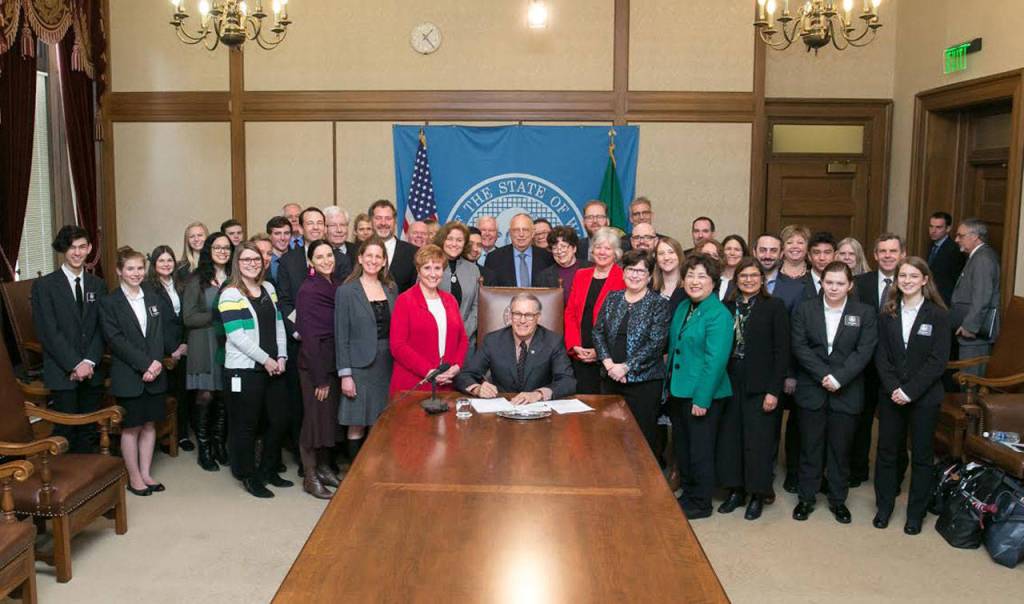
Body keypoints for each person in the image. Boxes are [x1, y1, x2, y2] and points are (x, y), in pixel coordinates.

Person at [791, 262, 878, 525]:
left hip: (847, 389)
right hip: (812, 388)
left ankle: (838, 500)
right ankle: (806, 498)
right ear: (822, 283)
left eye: (840, 283)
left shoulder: (864, 313)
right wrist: (823, 376)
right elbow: (800, 346)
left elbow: (864, 350)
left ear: (850, 285)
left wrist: (839, 377)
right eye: (829, 282)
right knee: (810, 447)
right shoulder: (805, 310)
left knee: (840, 450)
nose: (834, 288)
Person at [873, 257, 951, 535]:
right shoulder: (887, 312)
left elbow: (937, 360)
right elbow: (881, 355)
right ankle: (884, 507)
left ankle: (915, 514)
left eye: (912, 276)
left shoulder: (939, 315)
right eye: (902, 276)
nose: (906, 281)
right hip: (891, 394)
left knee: (921, 456)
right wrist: (895, 387)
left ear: (925, 280)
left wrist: (910, 391)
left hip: (924, 397)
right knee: (886, 452)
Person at [219, 242, 291, 498]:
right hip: (246, 369)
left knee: (279, 419)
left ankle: (269, 469)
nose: (252, 263)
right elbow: (236, 335)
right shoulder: (230, 294)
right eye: (246, 259)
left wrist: (281, 355)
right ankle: (247, 475)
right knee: (246, 425)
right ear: (237, 263)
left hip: (275, 366)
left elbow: (279, 324)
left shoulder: (268, 288)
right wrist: (266, 360)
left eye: (256, 259)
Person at [720, 259, 790, 520]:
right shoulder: (726, 307)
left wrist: (774, 391)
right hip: (729, 380)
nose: (748, 280)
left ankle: (757, 494)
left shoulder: (775, 307)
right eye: (743, 276)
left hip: (761, 384)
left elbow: (782, 352)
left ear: (762, 279)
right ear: (736, 279)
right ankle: (735, 490)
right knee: (731, 438)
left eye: (753, 275)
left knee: (758, 441)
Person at [665, 253, 734, 520]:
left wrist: (701, 399)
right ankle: (689, 494)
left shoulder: (719, 314)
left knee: (700, 451)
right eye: (690, 275)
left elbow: (715, 361)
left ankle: (701, 502)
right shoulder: (684, 307)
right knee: (683, 448)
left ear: (714, 282)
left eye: (701, 276)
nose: (694, 281)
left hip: (703, 396)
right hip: (679, 391)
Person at [100, 247, 172, 496]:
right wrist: (144, 365)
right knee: (131, 427)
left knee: (150, 424)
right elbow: (116, 340)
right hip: (129, 373)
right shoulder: (110, 302)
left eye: (140, 268)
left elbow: (158, 334)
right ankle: (134, 478)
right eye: (130, 268)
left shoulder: (152, 296)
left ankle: (146, 472)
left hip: (155, 370)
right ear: (119, 271)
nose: (136, 273)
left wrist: (155, 364)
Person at [31, 225, 107, 454]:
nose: (77, 252)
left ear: (90, 248)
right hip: (62, 371)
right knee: (65, 433)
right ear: (64, 249)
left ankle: (91, 483)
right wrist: (75, 364)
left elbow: (101, 329)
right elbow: (48, 332)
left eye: (82, 247)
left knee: (89, 432)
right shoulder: (44, 286)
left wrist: (89, 362)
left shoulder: (98, 285)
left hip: (92, 371)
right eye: (72, 247)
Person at [592, 250, 669, 453]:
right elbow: (598, 332)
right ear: (623, 273)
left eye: (640, 271)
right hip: (610, 379)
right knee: (610, 434)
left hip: (644, 383)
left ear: (650, 276)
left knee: (641, 438)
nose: (635, 275)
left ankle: (644, 483)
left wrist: (626, 368)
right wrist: (609, 365)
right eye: (630, 270)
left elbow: (656, 344)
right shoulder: (612, 298)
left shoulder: (658, 304)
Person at [851, 233, 906, 487]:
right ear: (874, 255)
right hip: (865, 364)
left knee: (895, 422)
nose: (887, 256)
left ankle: (894, 475)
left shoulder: (910, 282)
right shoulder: (860, 282)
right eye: (882, 251)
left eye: (892, 251)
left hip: (897, 367)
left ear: (902, 254)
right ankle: (858, 469)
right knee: (861, 419)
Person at [336, 237, 397, 463]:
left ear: (383, 262)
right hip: (359, 367)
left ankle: (376, 470)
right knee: (357, 422)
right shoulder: (346, 291)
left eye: (378, 257)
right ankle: (355, 473)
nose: (373, 260)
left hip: (387, 364)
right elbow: (341, 336)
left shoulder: (391, 288)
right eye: (368, 255)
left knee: (380, 422)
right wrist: (346, 375)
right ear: (360, 258)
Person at [456, 293, 576, 403]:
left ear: (538, 317)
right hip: (501, 410)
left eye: (529, 315)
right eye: (517, 314)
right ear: (510, 316)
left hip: (539, 412)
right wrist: (477, 389)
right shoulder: (492, 340)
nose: (522, 320)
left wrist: (539, 394)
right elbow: (465, 375)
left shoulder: (553, 341)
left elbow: (568, 381)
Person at [295, 241, 343, 499]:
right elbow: (309, 336)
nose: (326, 260)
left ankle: (324, 468)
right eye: (319, 256)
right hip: (316, 365)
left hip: (333, 360)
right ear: (310, 261)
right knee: (314, 421)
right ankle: (310, 476)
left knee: (327, 420)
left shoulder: (335, 283)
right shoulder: (308, 290)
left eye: (329, 255)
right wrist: (320, 379)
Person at [389, 245, 468, 395]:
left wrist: (456, 366)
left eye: (437, 268)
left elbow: (462, 339)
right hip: (413, 385)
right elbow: (398, 346)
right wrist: (429, 371)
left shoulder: (450, 300)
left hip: (446, 385)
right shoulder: (404, 300)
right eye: (427, 268)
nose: (433, 274)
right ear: (418, 271)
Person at [182, 232, 232, 471]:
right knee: (206, 395)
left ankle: (219, 444)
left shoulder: (235, 277)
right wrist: (217, 314)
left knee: (223, 396)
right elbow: (189, 317)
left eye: (227, 248)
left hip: (229, 343)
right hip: (203, 341)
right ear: (208, 251)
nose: (222, 251)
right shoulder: (196, 279)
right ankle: (204, 449)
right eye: (217, 247)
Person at [565, 227, 625, 394]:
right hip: (580, 353)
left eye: (608, 248)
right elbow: (570, 313)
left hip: (609, 359)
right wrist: (574, 345)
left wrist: (599, 351)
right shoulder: (581, 275)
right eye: (598, 247)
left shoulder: (623, 278)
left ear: (616, 252)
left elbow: (621, 323)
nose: (602, 252)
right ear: (592, 250)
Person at [147, 245, 191, 452]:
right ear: (154, 265)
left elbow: (186, 317)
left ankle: (182, 435)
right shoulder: (148, 288)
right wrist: (170, 350)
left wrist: (184, 343)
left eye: (169, 260)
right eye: (161, 261)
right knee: (166, 393)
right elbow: (153, 324)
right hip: (162, 349)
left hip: (183, 345)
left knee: (183, 393)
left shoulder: (181, 284)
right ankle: (163, 436)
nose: (166, 264)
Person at [951, 218, 1001, 376]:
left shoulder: (983, 259)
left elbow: (982, 297)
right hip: (969, 334)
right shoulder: (977, 256)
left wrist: (969, 327)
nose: (957, 239)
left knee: (970, 382)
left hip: (975, 336)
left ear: (975, 236)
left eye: (961, 235)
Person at [435, 222, 481, 347]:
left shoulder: (473, 270)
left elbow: (477, 307)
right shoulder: (430, 267)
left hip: (466, 342)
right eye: (450, 239)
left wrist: (463, 332)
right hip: (435, 340)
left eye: (459, 240)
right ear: (442, 240)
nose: (454, 244)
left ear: (465, 243)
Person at [484, 213, 555, 287]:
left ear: (533, 233)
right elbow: (489, 293)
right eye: (516, 230)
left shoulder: (547, 258)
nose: (521, 234)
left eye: (525, 230)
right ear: (510, 233)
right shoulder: (494, 258)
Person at [370, 199, 418, 292]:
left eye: (388, 218)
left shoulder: (413, 253)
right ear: (371, 221)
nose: (383, 223)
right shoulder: (357, 251)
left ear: (395, 221)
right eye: (378, 218)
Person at [536, 226, 591, 304]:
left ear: (574, 248)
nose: (559, 251)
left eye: (563, 246)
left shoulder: (591, 269)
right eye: (554, 248)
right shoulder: (543, 277)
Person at [926, 211, 965, 305]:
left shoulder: (954, 250)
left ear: (948, 228)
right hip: (931, 297)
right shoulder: (932, 245)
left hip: (945, 300)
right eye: (931, 226)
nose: (933, 231)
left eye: (938, 227)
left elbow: (955, 280)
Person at [718, 235, 748, 300]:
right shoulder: (713, 277)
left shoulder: (747, 280)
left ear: (743, 253)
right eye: (728, 249)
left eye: (737, 250)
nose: (732, 253)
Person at [265, 215, 292, 282]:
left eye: (286, 233)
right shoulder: (263, 259)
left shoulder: (299, 257)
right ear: (269, 236)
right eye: (277, 233)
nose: (282, 238)